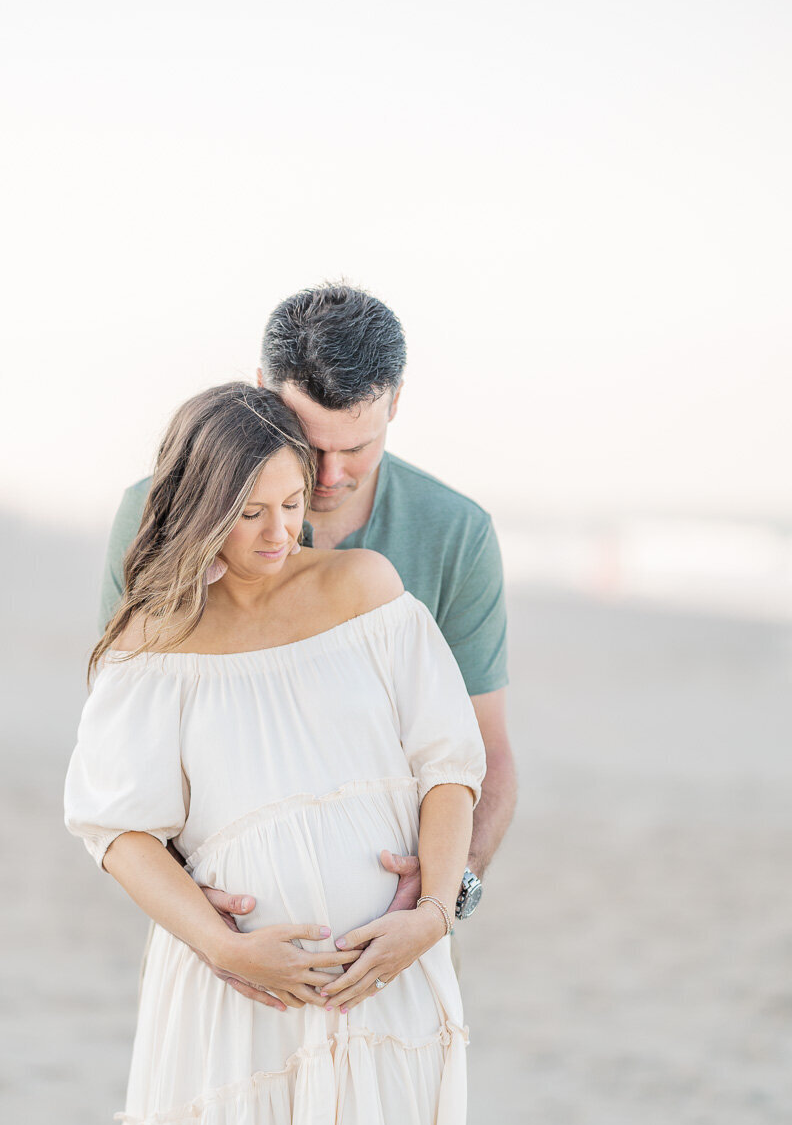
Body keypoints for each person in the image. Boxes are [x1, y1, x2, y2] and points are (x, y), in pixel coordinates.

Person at [65, 383, 486, 1125]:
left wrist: (430, 916)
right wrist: (226, 950)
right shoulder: (156, 637)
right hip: (233, 1002)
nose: (277, 531)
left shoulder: (367, 589)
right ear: (199, 504)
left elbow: (449, 762)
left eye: (293, 504)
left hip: (385, 990)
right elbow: (117, 830)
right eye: (249, 510)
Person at [97, 286, 516, 1006]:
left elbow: (484, 752)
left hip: (393, 959)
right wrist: (214, 937)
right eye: (308, 443)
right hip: (228, 964)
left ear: (397, 403)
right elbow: (127, 759)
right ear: (261, 391)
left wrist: (442, 903)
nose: (328, 477)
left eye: (357, 446)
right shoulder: (154, 515)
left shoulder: (455, 533)